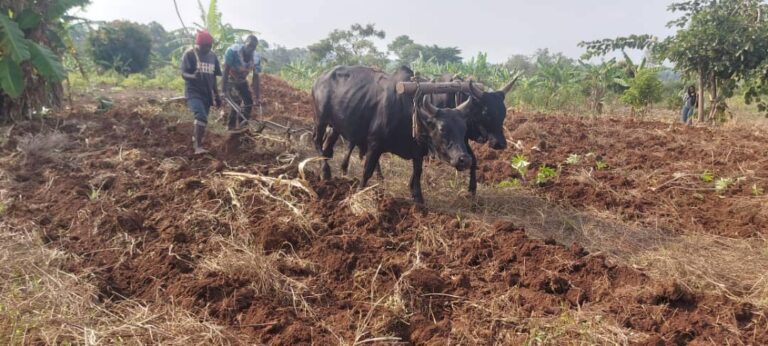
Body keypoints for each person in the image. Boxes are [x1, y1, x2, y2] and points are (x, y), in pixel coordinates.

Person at [181, 30, 222, 154]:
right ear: (198, 44)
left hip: (207, 93)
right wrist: (193, 76)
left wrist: (217, 95)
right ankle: (197, 147)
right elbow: (183, 73)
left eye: (210, 46)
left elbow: (214, 77)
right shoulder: (190, 54)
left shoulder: (212, 56)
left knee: (203, 120)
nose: (208, 48)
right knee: (201, 116)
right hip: (193, 92)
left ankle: (197, 140)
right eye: (205, 46)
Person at [222, 35, 262, 131]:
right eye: (249, 45)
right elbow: (226, 70)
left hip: (242, 81)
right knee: (236, 101)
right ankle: (230, 126)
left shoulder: (256, 57)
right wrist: (223, 90)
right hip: (231, 79)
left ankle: (242, 125)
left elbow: (255, 78)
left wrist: (257, 96)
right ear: (244, 44)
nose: (250, 49)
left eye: (253, 47)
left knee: (249, 102)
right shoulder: (233, 51)